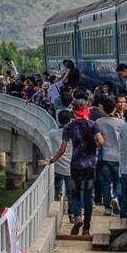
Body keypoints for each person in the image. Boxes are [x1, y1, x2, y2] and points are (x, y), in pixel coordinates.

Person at [41, 92, 105, 235]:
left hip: (76, 165)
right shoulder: (93, 125)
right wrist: (93, 147)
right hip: (90, 165)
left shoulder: (69, 128)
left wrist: (51, 160)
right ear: (86, 110)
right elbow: (101, 141)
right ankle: (86, 228)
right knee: (88, 196)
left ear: (73, 111)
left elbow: (62, 149)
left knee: (75, 193)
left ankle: (77, 218)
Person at [94, 96, 123, 215]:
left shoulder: (98, 122)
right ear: (115, 108)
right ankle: (116, 197)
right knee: (118, 181)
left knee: (105, 182)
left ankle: (107, 208)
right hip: (118, 157)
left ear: (103, 109)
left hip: (104, 156)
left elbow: (97, 139)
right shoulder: (121, 123)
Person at [48, 110, 78, 223]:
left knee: (57, 187)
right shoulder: (73, 134)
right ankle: (72, 214)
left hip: (56, 166)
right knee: (71, 193)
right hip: (70, 168)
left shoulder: (52, 133)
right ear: (70, 120)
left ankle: (56, 199)